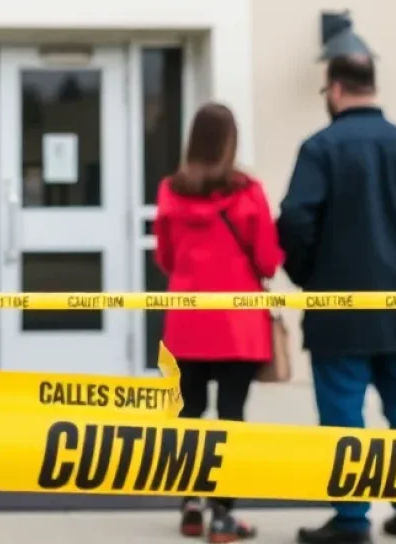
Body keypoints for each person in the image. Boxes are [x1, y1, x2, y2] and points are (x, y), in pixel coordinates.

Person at [276, 55, 396, 544]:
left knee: (342, 413)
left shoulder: (321, 148)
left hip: (341, 310)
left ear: (335, 90)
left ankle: (352, 520)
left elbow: (294, 220)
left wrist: (310, 275)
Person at [155, 102, 284, 543]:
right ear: (231, 142)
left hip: (187, 323)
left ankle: (190, 503)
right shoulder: (249, 192)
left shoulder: (171, 192)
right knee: (231, 417)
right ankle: (224, 515)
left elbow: (166, 258)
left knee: (189, 414)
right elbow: (267, 261)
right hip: (237, 326)